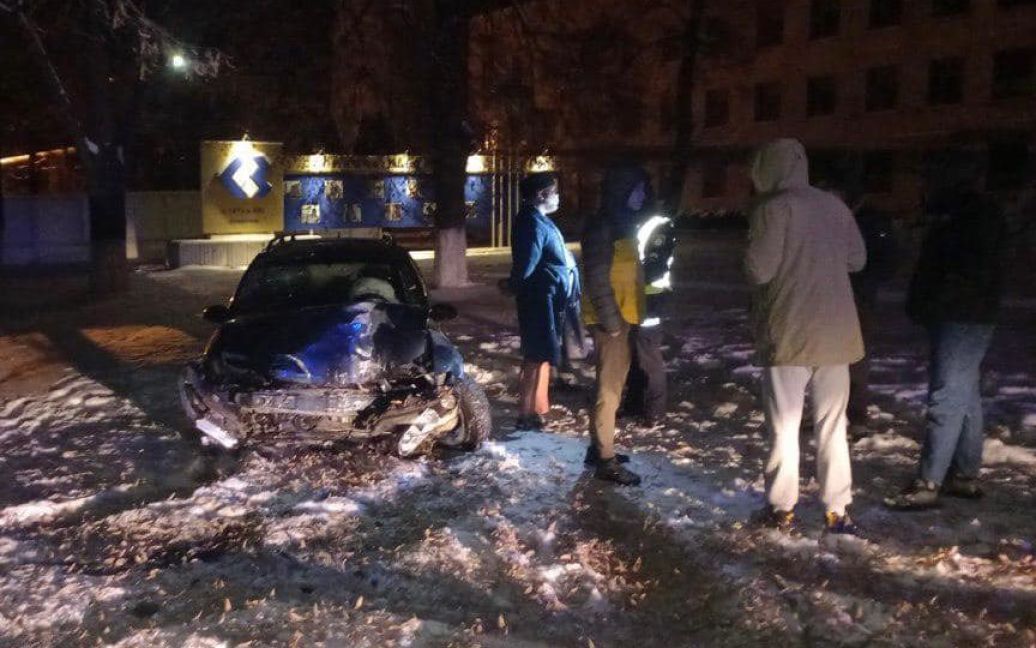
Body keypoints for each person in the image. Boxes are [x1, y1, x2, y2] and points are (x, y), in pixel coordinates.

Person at [745, 139, 865, 534]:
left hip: (790, 330)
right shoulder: (834, 206)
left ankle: (781, 507)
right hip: (836, 333)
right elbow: (857, 260)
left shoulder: (773, 209)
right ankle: (838, 508)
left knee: (784, 424)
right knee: (833, 424)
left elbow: (759, 269)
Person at [884, 156, 1005, 510]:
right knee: (964, 395)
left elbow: (960, 269)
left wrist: (934, 299)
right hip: (965, 314)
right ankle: (964, 475)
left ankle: (929, 481)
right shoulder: (970, 214)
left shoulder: (967, 217)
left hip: (960, 315)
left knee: (946, 397)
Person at [581, 163, 650, 486]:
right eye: (637, 189)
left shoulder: (620, 224)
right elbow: (597, 277)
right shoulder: (604, 227)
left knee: (610, 388)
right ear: (622, 190)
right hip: (611, 322)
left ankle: (599, 448)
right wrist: (612, 323)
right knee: (609, 392)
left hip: (622, 318)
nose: (642, 195)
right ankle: (605, 460)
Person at [509, 172, 575, 430]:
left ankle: (535, 409)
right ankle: (526, 414)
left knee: (542, 353)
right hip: (538, 299)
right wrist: (513, 284)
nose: (557, 196)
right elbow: (526, 264)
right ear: (540, 194)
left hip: (547, 297)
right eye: (554, 191)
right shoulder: (531, 223)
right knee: (535, 355)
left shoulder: (539, 220)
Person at [846, 196, 898, 437]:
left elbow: (885, 263)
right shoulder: (862, 219)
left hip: (859, 296)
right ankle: (841, 411)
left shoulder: (870, 221)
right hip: (849, 294)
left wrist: (865, 279)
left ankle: (855, 413)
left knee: (856, 357)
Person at [622, 212, 676, 425]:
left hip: (650, 302)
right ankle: (633, 404)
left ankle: (655, 412)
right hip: (637, 299)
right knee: (635, 356)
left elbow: (655, 268)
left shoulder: (659, 227)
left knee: (649, 359)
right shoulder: (641, 224)